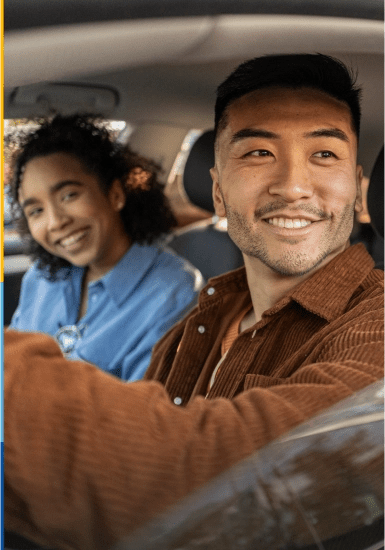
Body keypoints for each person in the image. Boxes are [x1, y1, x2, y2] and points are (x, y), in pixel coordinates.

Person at [4, 54, 384, 550]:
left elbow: (223, 480)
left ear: (358, 194)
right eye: (258, 153)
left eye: (324, 155)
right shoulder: (204, 318)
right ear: (220, 195)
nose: (293, 185)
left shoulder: (375, 325)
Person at [5, 115, 203, 381]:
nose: (55, 222)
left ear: (115, 194)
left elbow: (144, 413)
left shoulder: (173, 293)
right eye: (36, 210)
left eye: (69, 195)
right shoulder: (41, 277)